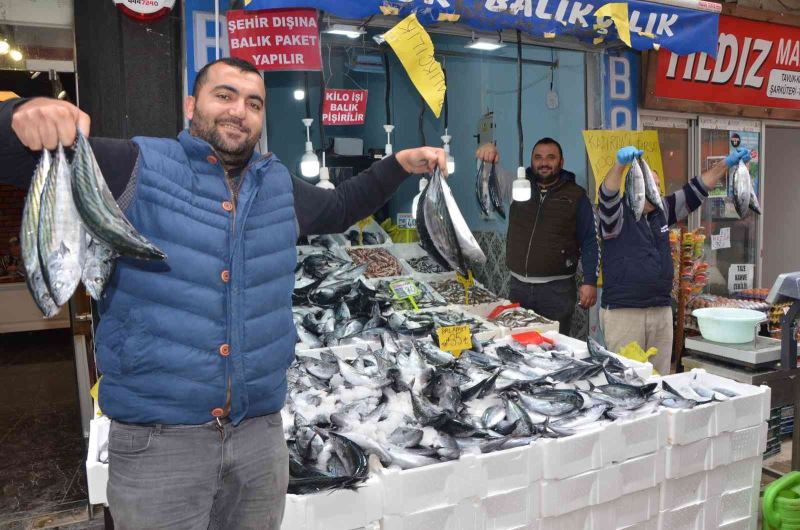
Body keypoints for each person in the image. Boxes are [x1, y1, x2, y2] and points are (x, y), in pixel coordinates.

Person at [0, 57, 448, 529]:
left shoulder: (278, 185)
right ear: (190, 105)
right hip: (161, 445)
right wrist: (19, 113)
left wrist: (399, 165)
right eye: (224, 95)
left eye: (254, 103)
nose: (239, 110)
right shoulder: (133, 165)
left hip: (259, 438)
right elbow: (12, 157)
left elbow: (339, 207)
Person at [598, 145, 751, 375]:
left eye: (658, 186)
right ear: (636, 186)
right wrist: (620, 165)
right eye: (650, 184)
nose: (656, 190)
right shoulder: (616, 216)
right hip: (625, 312)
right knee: (626, 378)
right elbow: (607, 194)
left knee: (659, 378)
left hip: (661, 309)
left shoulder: (662, 211)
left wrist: (726, 164)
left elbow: (696, 190)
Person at [476, 138, 599, 334]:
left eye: (551, 157)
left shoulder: (576, 195)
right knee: (517, 343)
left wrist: (590, 281)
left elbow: (590, 240)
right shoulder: (518, 186)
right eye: (538, 157)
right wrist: (489, 156)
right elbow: (492, 182)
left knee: (554, 346)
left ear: (561, 162)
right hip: (519, 288)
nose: (544, 163)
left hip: (557, 292)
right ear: (531, 161)